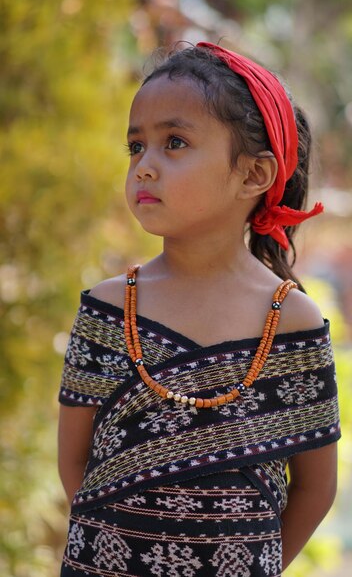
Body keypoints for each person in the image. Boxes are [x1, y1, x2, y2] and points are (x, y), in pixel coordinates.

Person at [58, 42, 340, 577]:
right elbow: (75, 463)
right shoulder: (107, 308)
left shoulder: (291, 322)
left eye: (175, 142)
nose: (144, 167)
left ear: (254, 175)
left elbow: (316, 488)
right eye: (135, 147)